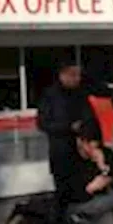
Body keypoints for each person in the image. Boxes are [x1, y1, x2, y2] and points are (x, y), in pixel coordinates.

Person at [37, 63, 99, 201]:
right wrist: (68, 127)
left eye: (78, 75)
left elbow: (91, 119)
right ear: (62, 76)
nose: (77, 78)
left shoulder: (81, 95)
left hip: (82, 153)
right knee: (63, 192)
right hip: (61, 152)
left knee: (84, 192)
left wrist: (90, 138)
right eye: (73, 75)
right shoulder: (50, 96)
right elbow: (42, 123)